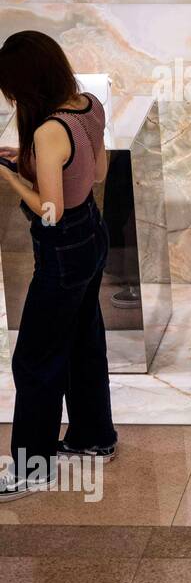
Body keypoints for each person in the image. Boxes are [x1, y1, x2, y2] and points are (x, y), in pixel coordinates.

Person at [0, 31, 114, 501]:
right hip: (92, 233)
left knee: (36, 358)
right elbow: (97, 171)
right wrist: (30, 163)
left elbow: (51, 210)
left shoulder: (49, 129)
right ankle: (93, 437)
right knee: (84, 339)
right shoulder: (87, 106)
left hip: (63, 246)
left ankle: (31, 467)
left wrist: (10, 178)